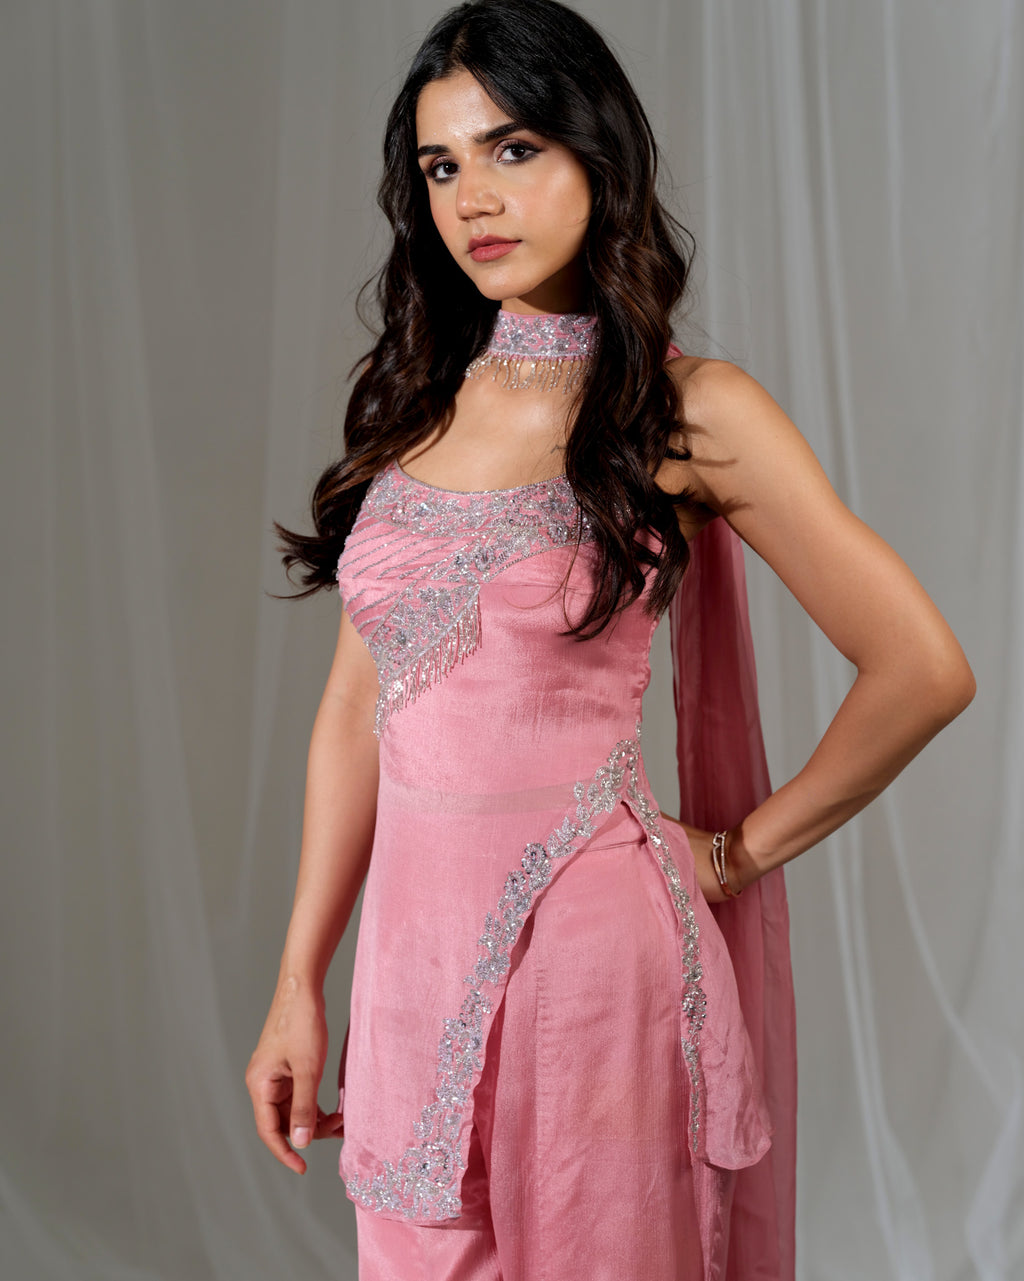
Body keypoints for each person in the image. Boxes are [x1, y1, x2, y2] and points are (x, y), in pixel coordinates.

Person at [244, 2, 975, 1277]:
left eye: (513, 149)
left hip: (592, 968)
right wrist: (299, 978)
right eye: (441, 166)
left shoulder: (686, 411)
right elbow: (359, 708)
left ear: (598, 153)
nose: (474, 197)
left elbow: (923, 670)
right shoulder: (415, 403)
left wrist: (734, 856)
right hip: (408, 975)